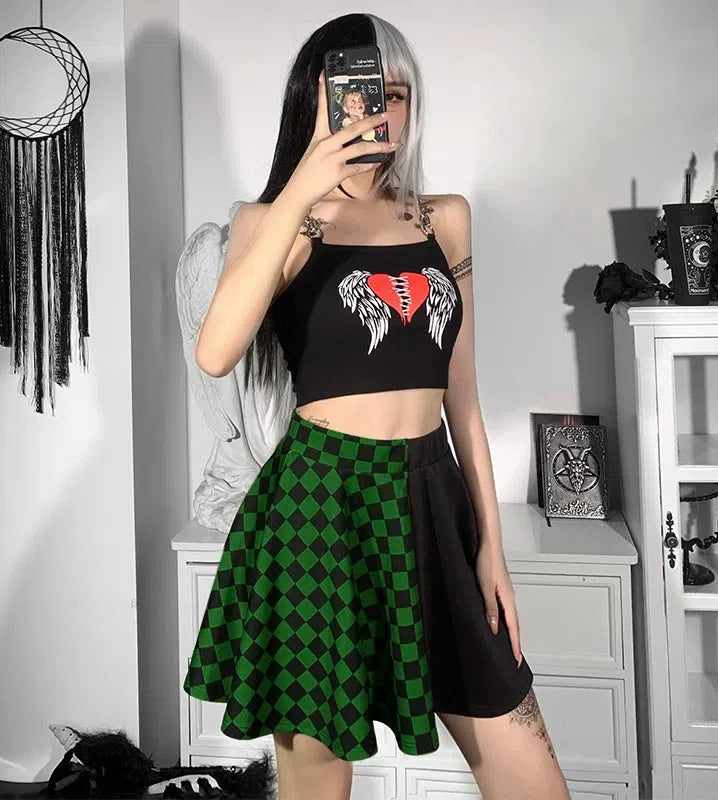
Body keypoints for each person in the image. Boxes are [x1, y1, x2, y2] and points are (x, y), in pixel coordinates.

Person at [183, 12, 570, 800]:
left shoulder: (443, 217)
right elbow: (216, 351)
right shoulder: (271, 222)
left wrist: (491, 548)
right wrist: (303, 185)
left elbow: (464, 402)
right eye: (358, 94)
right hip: (318, 509)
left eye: (395, 94)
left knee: (532, 776)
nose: (378, 112)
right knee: (319, 784)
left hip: (433, 499)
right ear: (316, 101)